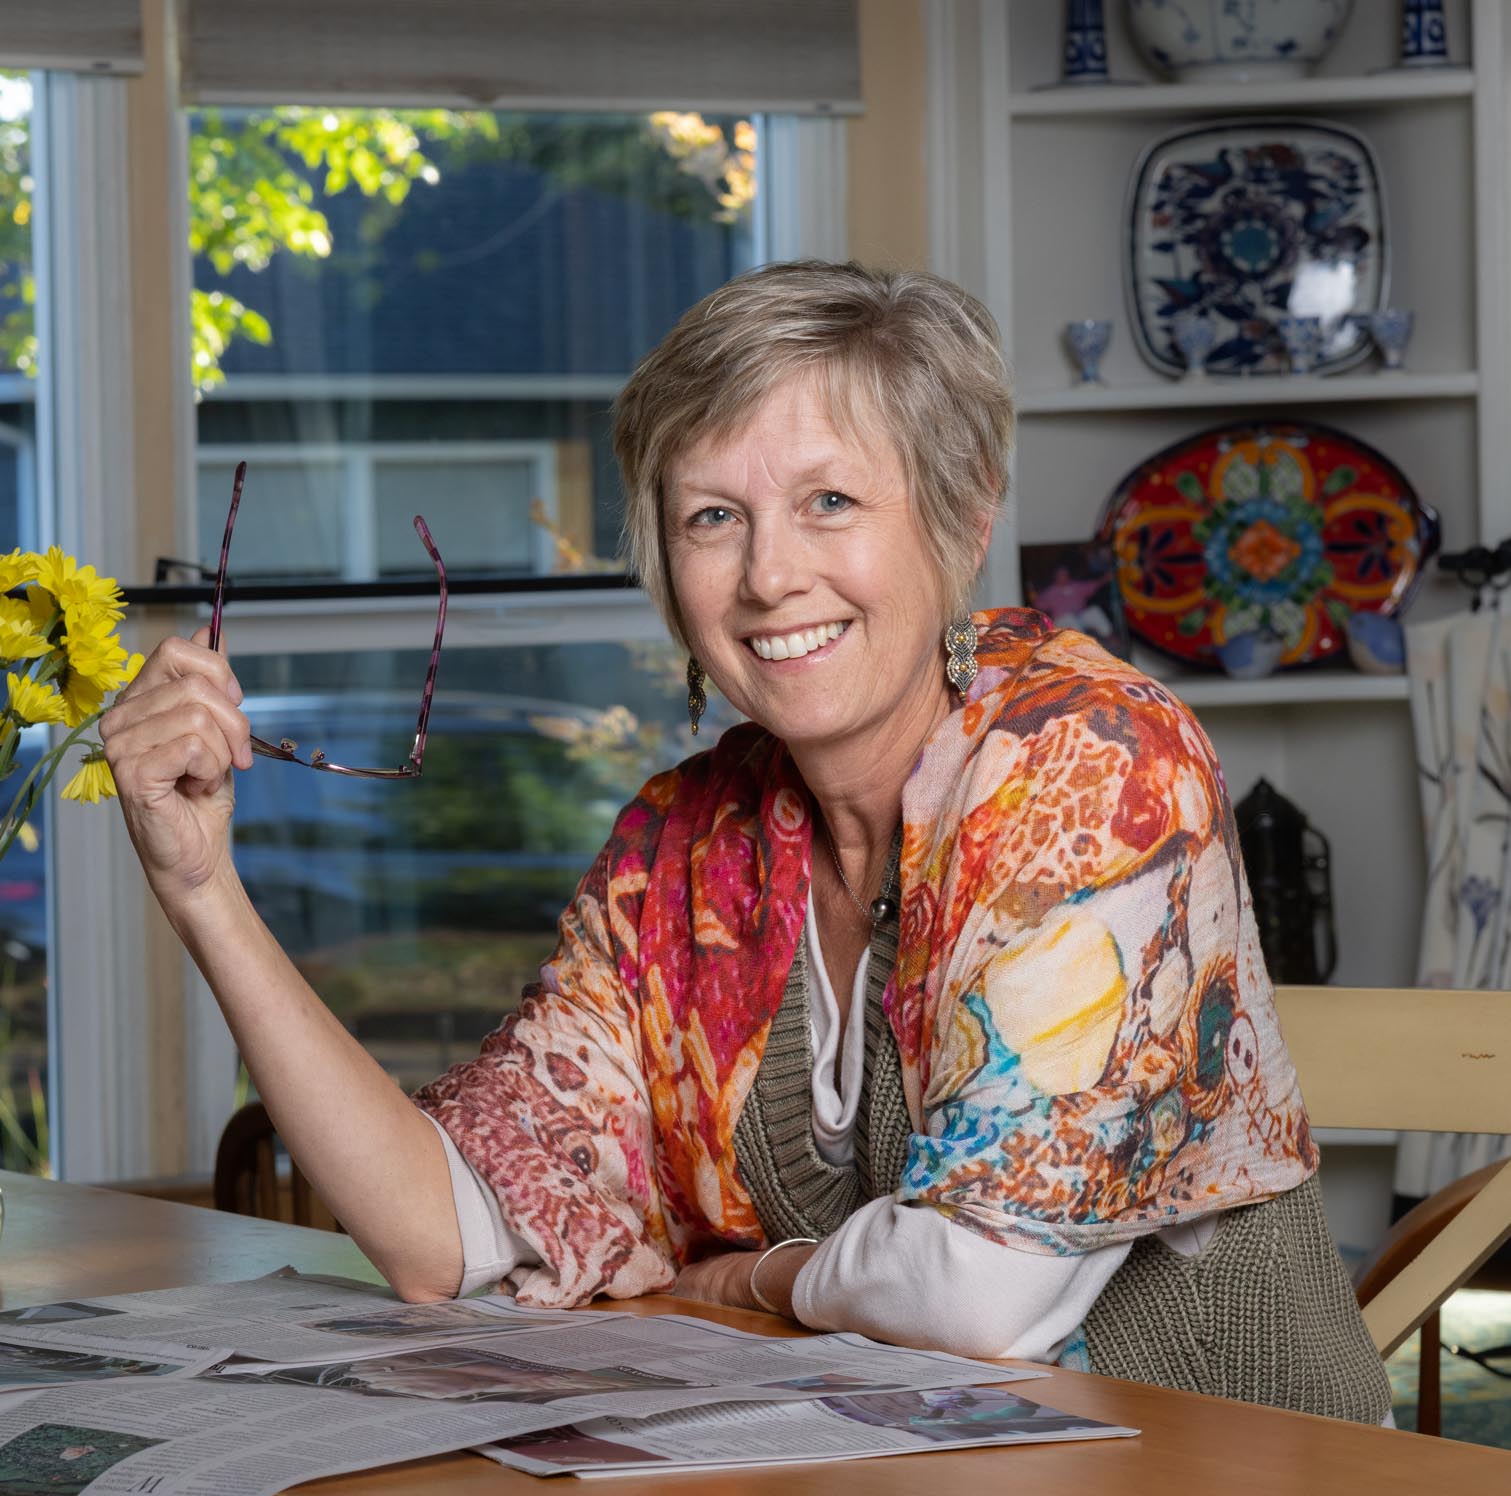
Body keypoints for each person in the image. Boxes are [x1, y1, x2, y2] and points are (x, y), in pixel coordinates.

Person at [102, 261, 1391, 1422]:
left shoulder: (1091, 762)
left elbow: (979, 1295)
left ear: (961, 517)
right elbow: (441, 1230)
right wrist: (204, 887)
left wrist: (766, 1278)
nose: (770, 576)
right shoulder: (682, 850)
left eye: (830, 500)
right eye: (713, 517)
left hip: (1233, 1465)